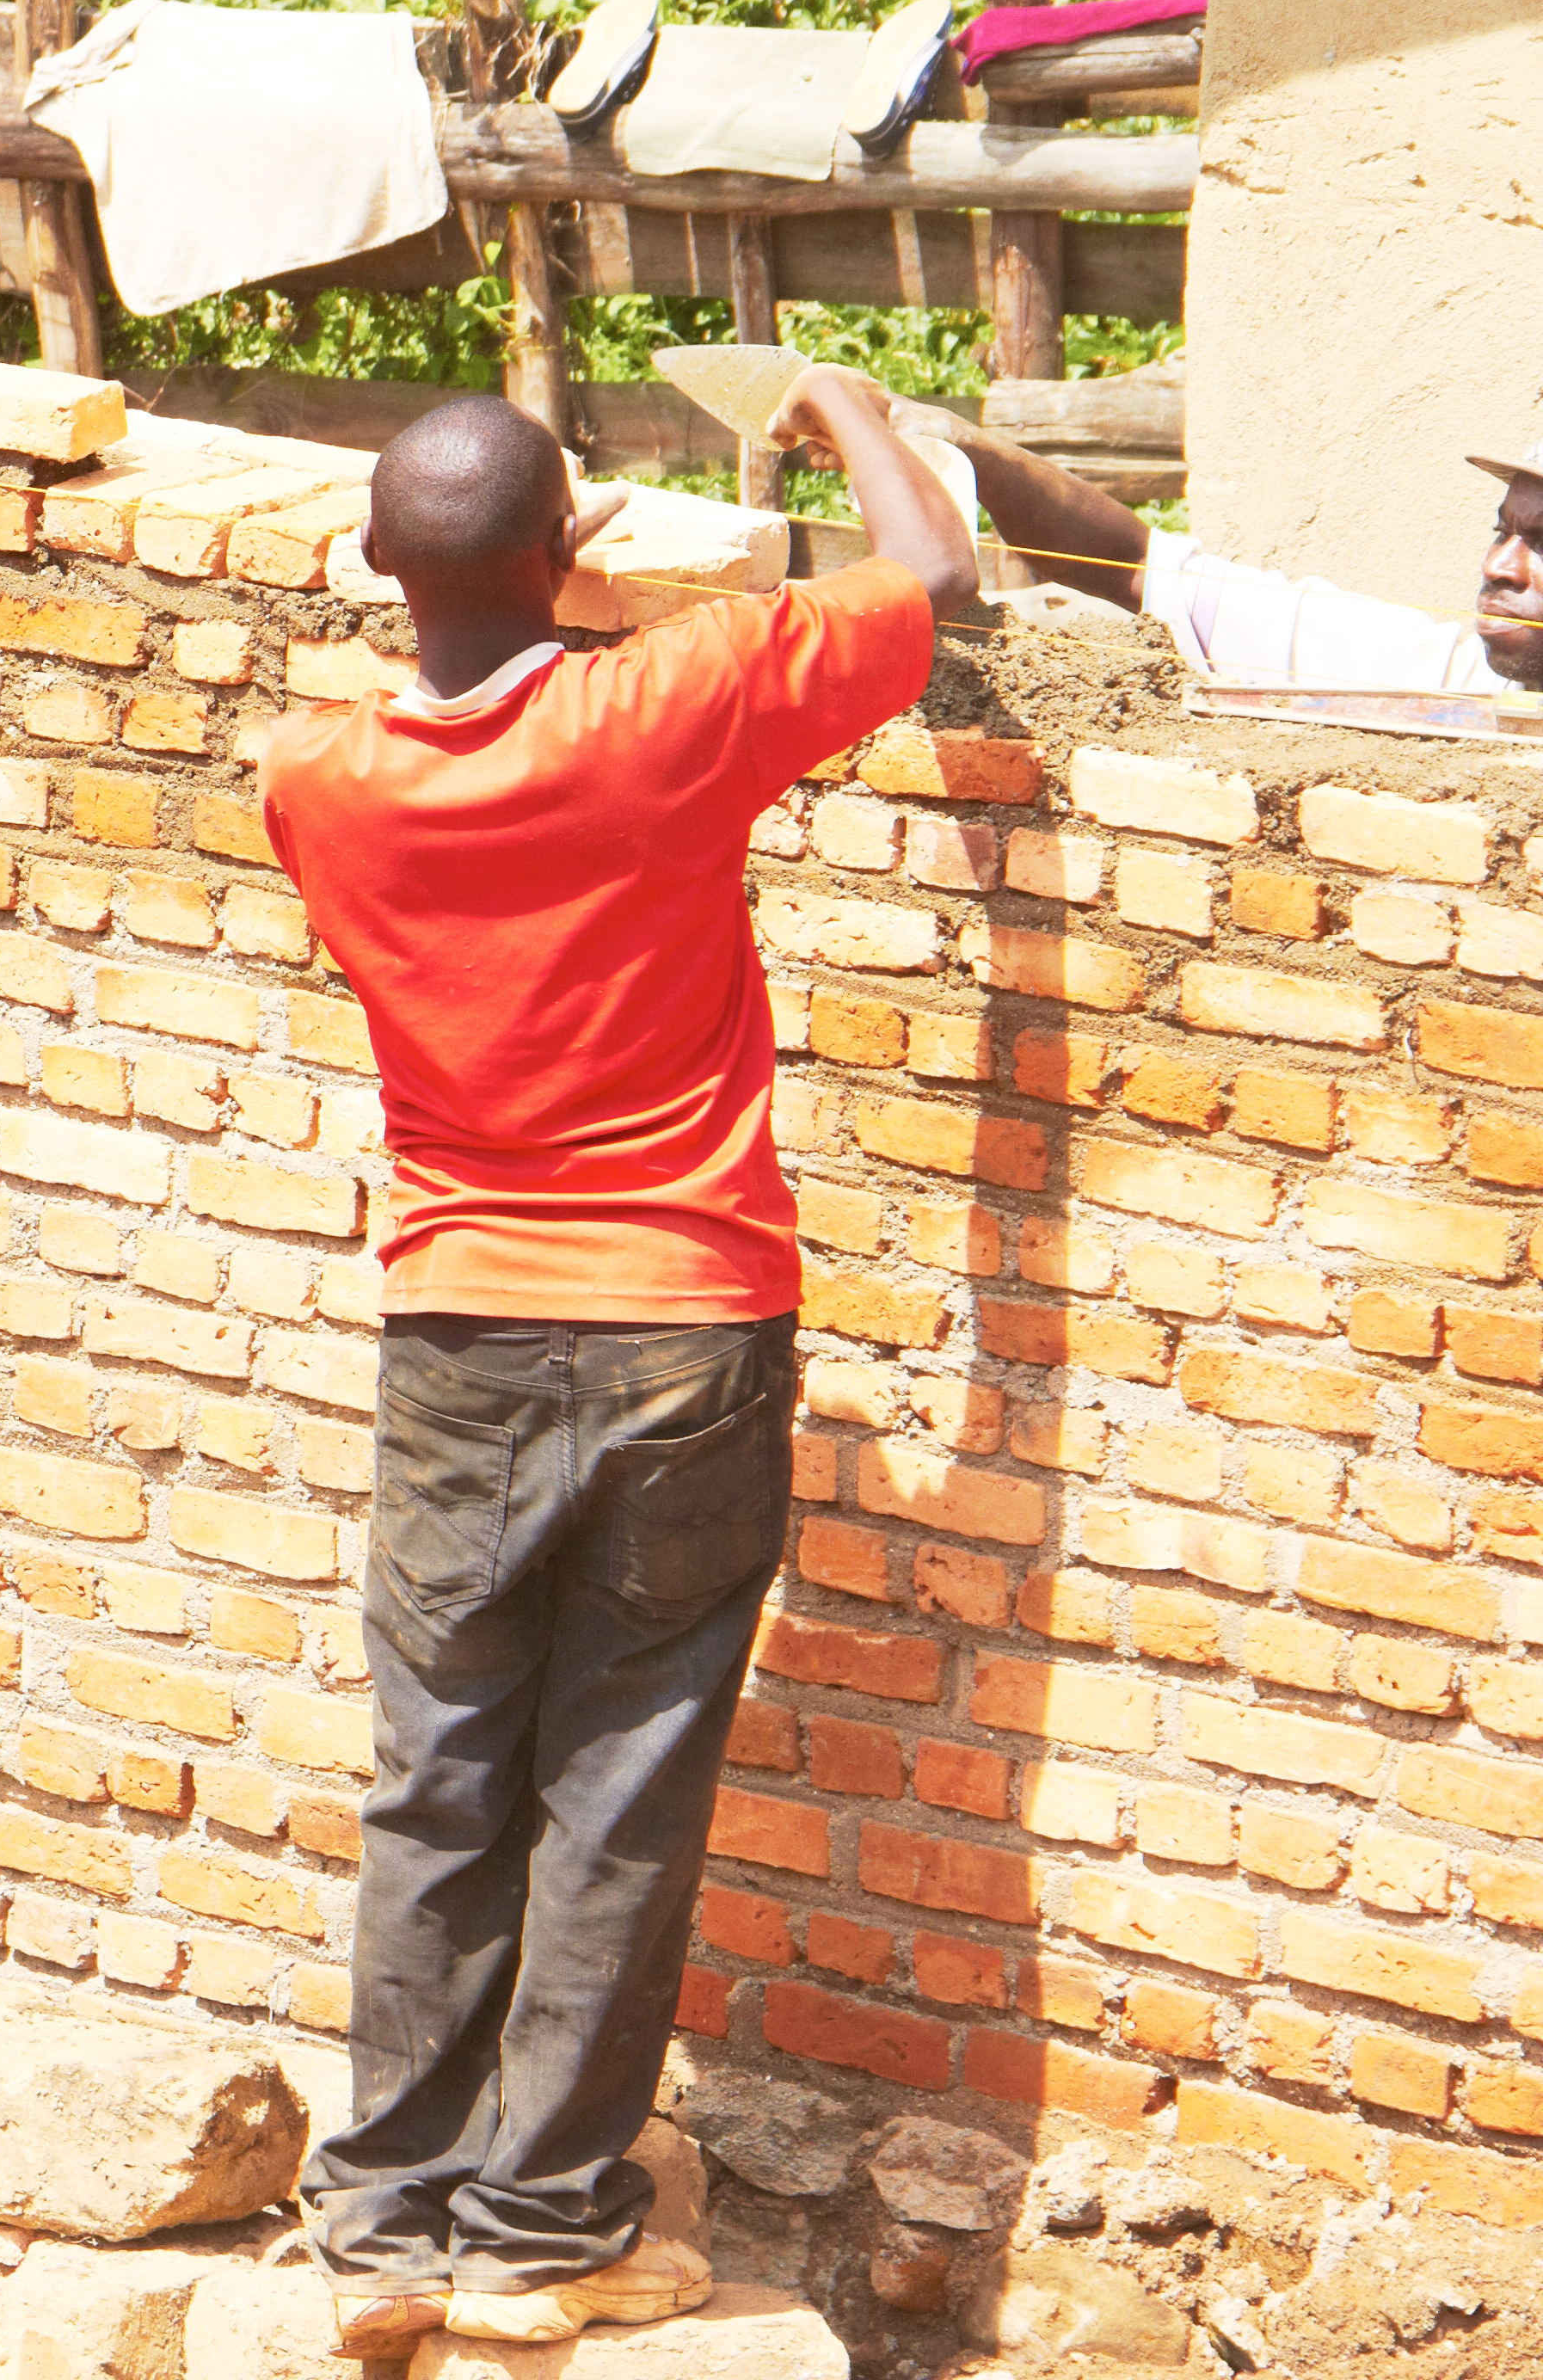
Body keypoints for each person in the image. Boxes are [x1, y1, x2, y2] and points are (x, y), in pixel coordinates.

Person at [256, 372, 981, 2355]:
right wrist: (842, 410)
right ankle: (539, 2226)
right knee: (620, 1780)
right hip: (687, 1316)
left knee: (441, 1769)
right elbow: (927, 578)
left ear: (375, 565)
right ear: (571, 551)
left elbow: (450, 724)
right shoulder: (666, 702)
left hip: (457, 1324)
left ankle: (382, 2219)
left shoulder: (317, 782)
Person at [953, 411, 1540, 690]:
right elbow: (1134, 564)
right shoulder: (1453, 683)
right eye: (1501, 533)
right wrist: (973, 451)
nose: (1498, 567)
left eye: (1538, 544)